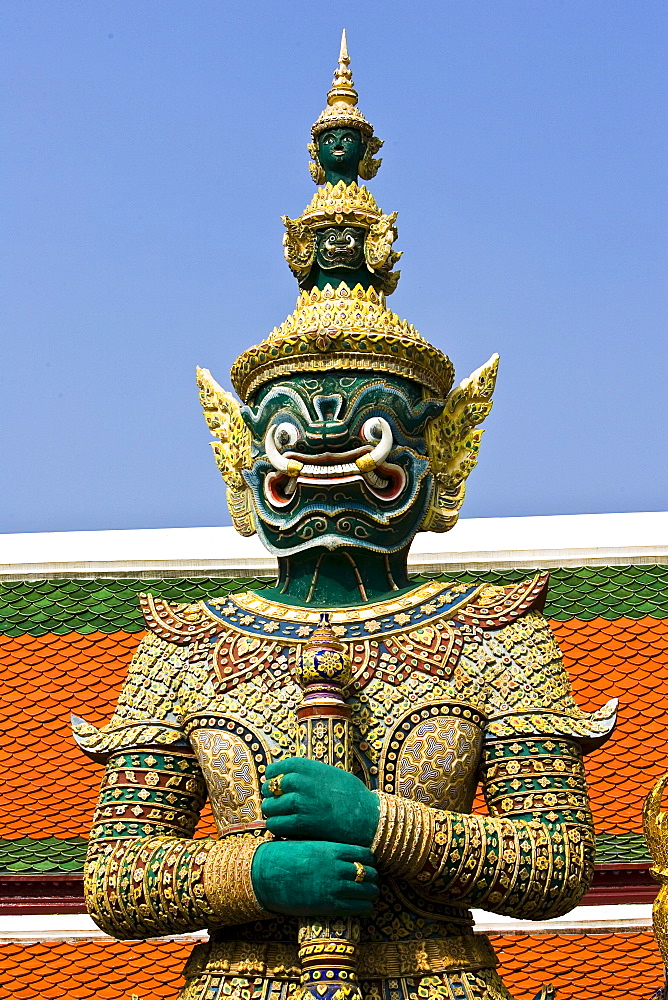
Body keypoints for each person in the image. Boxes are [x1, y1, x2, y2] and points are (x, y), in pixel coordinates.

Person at [74, 32, 616, 1000]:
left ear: (436, 458)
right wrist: (253, 873)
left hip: (431, 975)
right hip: (247, 978)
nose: (327, 457)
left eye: (367, 430)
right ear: (244, 463)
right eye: (294, 431)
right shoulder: (185, 647)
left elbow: (554, 862)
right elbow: (115, 876)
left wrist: (379, 822)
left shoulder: (494, 637)